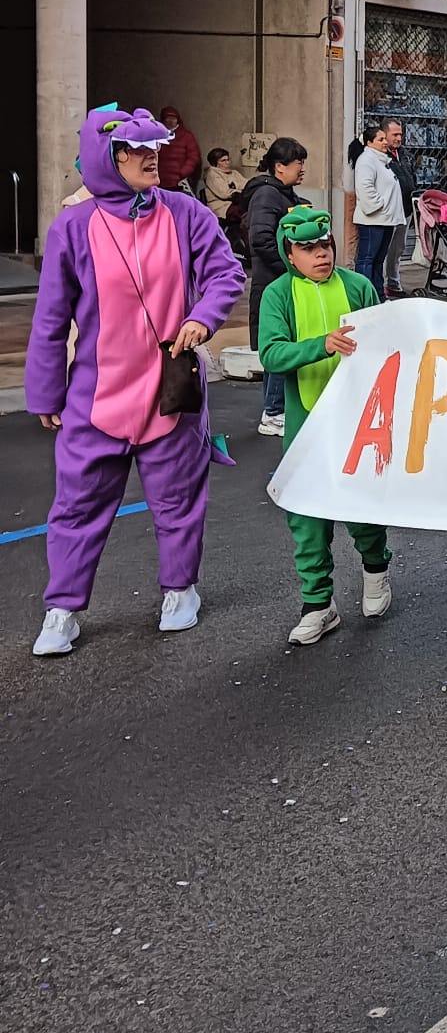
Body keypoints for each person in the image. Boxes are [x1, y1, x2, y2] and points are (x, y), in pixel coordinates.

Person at [25, 107, 244, 656]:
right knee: (76, 507)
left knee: (178, 500)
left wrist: (203, 318)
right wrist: (46, 390)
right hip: (95, 394)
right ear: (107, 159)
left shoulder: (186, 212)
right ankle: (63, 608)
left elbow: (225, 272)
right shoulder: (72, 227)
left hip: (171, 388)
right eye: (136, 151)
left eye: (155, 148)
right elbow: (51, 317)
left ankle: (179, 590)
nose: (153, 158)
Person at [257, 205, 394, 644]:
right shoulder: (277, 295)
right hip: (306, 425)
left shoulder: (358, 286)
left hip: (358, 422)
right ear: (289, 253)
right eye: (308, 247)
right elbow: (271, 354)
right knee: (306, 516)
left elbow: (389, 343)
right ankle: (318, 604)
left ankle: (376, 569)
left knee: (361, 505)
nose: (321, 253)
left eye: (326, 244)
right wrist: (321, 345)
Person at [242, 138, 309, 437]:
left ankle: (276, 409)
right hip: (274, 284)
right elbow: (262, 240)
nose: (302, 169)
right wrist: (292, 266)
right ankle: (273, 411)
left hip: (282, 282)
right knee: (280, 348)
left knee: (283, 346)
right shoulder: (267, 195)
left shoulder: (283, 194)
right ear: (280, 166)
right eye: (298, 164)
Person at [352, 122, 404, 297]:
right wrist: (379, 205)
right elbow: (365, 187)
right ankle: (363, 297)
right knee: (367, 259)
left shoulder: (381, 161)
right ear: (369, 143)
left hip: (385, 219)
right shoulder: (367, 160)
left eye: (384, 139)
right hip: (373, 220)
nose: (385, 142)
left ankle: (378, 295)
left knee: (377, 260)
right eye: (380, 139)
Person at [383, 120, 416, 298]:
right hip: (389, 211)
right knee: (385, 249)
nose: (399, 138)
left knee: (398, 249)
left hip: (406, 209)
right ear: (384, 135)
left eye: (400, 134)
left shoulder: (404, 155)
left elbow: (412, 175)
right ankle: (381, 285)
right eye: (395, 134)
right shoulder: (380, 156)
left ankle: (394, 284)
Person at [202, 148, 246, 255]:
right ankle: (239, 245)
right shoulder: (212, 174)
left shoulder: (234, 173)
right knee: (243, 213)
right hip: (221, 206)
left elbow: (246, 184)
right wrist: (239, 191)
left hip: (233, 202)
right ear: (215, 163)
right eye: (223, 161)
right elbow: (225, 193)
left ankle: (241, 244)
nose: (227, 163)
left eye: (228, 160)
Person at [157, 105, 202, 193]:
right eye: (168, 118)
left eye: (173, 118)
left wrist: (183, 172)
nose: (171, 121)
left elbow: (193, 156)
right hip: (160, 181)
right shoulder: (157, 135)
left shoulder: (186, 136)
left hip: (179, 181)